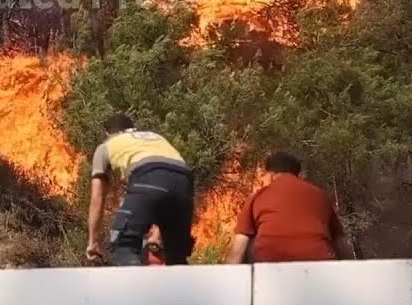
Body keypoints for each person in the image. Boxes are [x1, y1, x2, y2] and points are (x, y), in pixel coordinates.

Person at [85, 113, 195, 266]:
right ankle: (181, 289)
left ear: (108, 134)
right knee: (176, 256)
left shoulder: (106, 146)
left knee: (123, 246)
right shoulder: (155, 137)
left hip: (148, 175)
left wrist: (93, 241)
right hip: (185, 181)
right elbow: (167, 179)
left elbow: (98, 196)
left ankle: (138, 288)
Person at [224, 151, 355, 264]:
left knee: (250, 238)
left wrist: (227, 281)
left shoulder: (258, 196)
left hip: (270, 267)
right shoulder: (320, 194)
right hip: (320, 264)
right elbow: (340, 241)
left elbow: (239, 246)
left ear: (270, 174)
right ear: (298, 174)